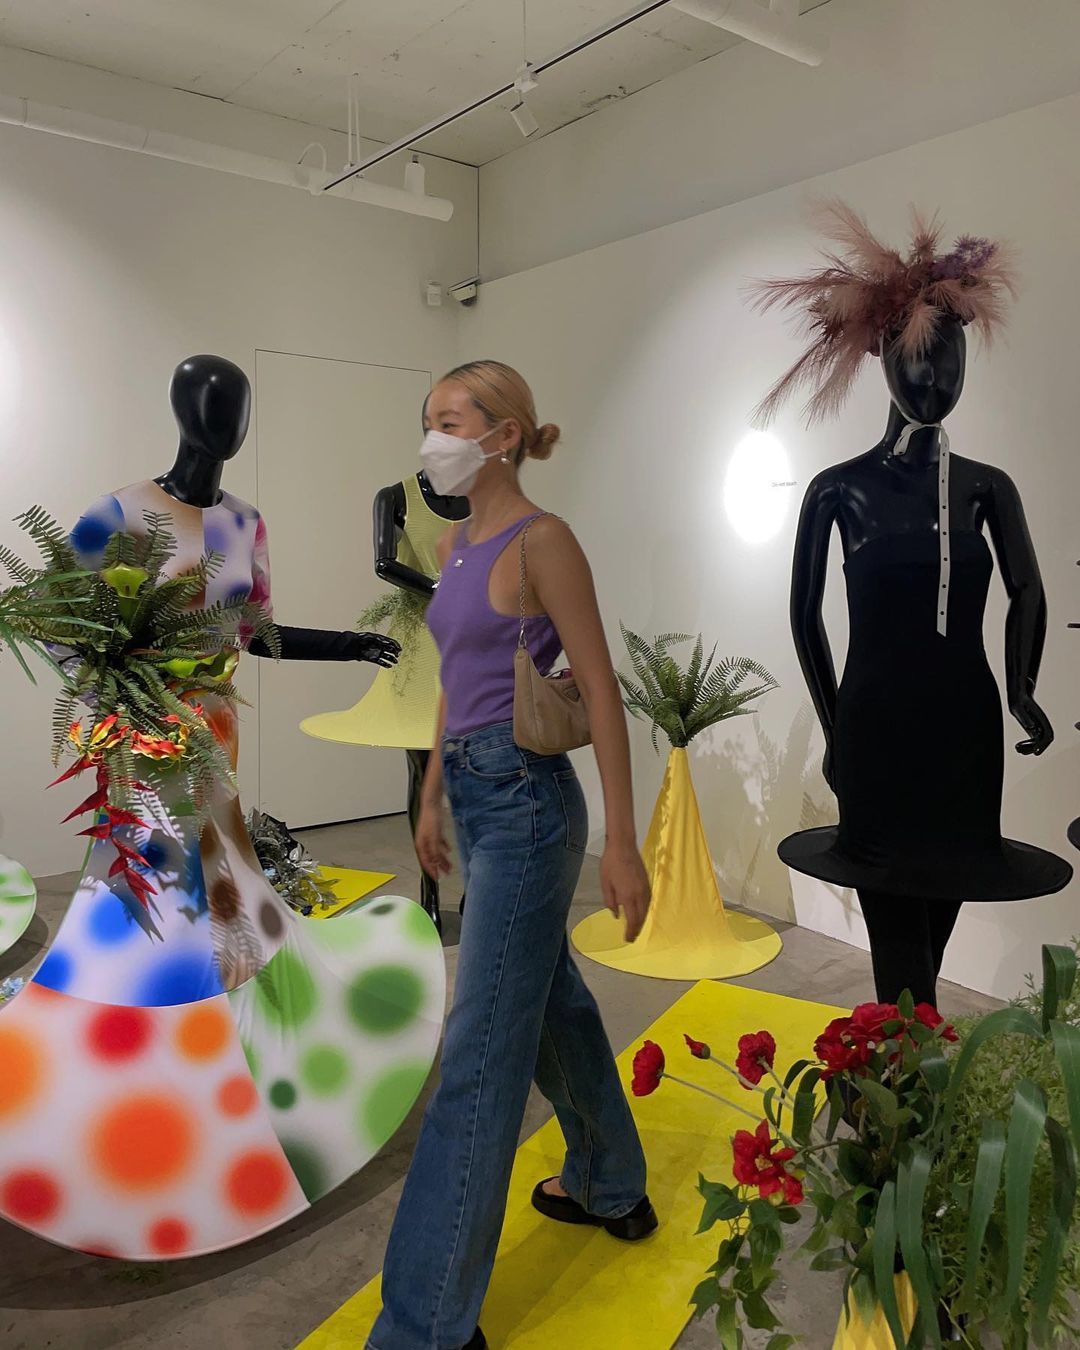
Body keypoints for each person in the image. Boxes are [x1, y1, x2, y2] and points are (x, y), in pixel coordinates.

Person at [368, 361, 655, 1350]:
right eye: (428, 420)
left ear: (504, 434)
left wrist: (624, 844)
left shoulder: (545, 542)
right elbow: (455, 676)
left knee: (478, 1052)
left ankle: (425, 1325)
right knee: (547, 1005)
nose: (432, 439)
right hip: (474, 791)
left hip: (531, 805)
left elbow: (602, 691)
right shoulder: (453, 545)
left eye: (449, 421)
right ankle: (609, 1179)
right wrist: (430, 795)